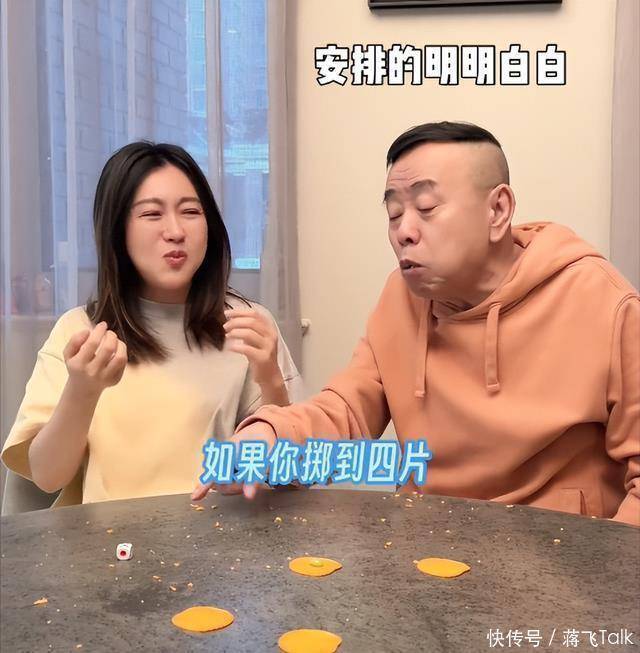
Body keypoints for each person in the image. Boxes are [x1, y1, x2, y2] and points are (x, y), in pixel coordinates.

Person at [193, 121, 639, 526]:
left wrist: (602, 574)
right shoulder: (400, 298)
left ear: (498, 210)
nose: (404, 231)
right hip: (427, 551)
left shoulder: (601, 301)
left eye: (426, 207)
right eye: (393, 214)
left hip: (556, 558)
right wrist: (268, 437)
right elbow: (346, 411)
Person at [2, 142, 302, 506]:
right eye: (151, 214)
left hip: (220, 538)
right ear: (118, 230)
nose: (175, 231)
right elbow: (48, 477)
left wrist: (271, 380)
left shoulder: (248, 325)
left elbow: (293, 476)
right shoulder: (79, 332)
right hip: (107, 540)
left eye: (190, 211)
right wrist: (82, 390)